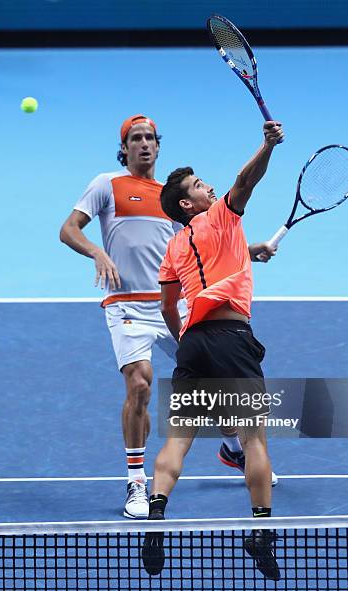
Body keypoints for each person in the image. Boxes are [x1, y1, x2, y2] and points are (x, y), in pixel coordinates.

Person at [59, 114, 258, 519]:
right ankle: (136, 482)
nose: (145, 144)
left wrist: (250, 251)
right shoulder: (106, 185)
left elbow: (198, 245)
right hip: (126, 305)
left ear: (158, 145)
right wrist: (97, 252)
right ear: (126, 146)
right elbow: (68, 229)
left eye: (150, 137)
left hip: (174, 303)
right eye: (136, 138)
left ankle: (232, 449)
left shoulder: (172, 198)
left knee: (211, 385)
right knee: (140, 384)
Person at [141, 120, 284, 580]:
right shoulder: (221, 215)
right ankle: (261, 531)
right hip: (233, 343)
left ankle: (157, 511)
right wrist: (266, 145)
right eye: (200, 185)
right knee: (253, 440)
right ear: (188, 203)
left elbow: (169, 306)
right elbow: (246, 182)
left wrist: (187, 342)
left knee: (176, 440)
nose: (210, 187)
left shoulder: (174, 246)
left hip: (193, 346)